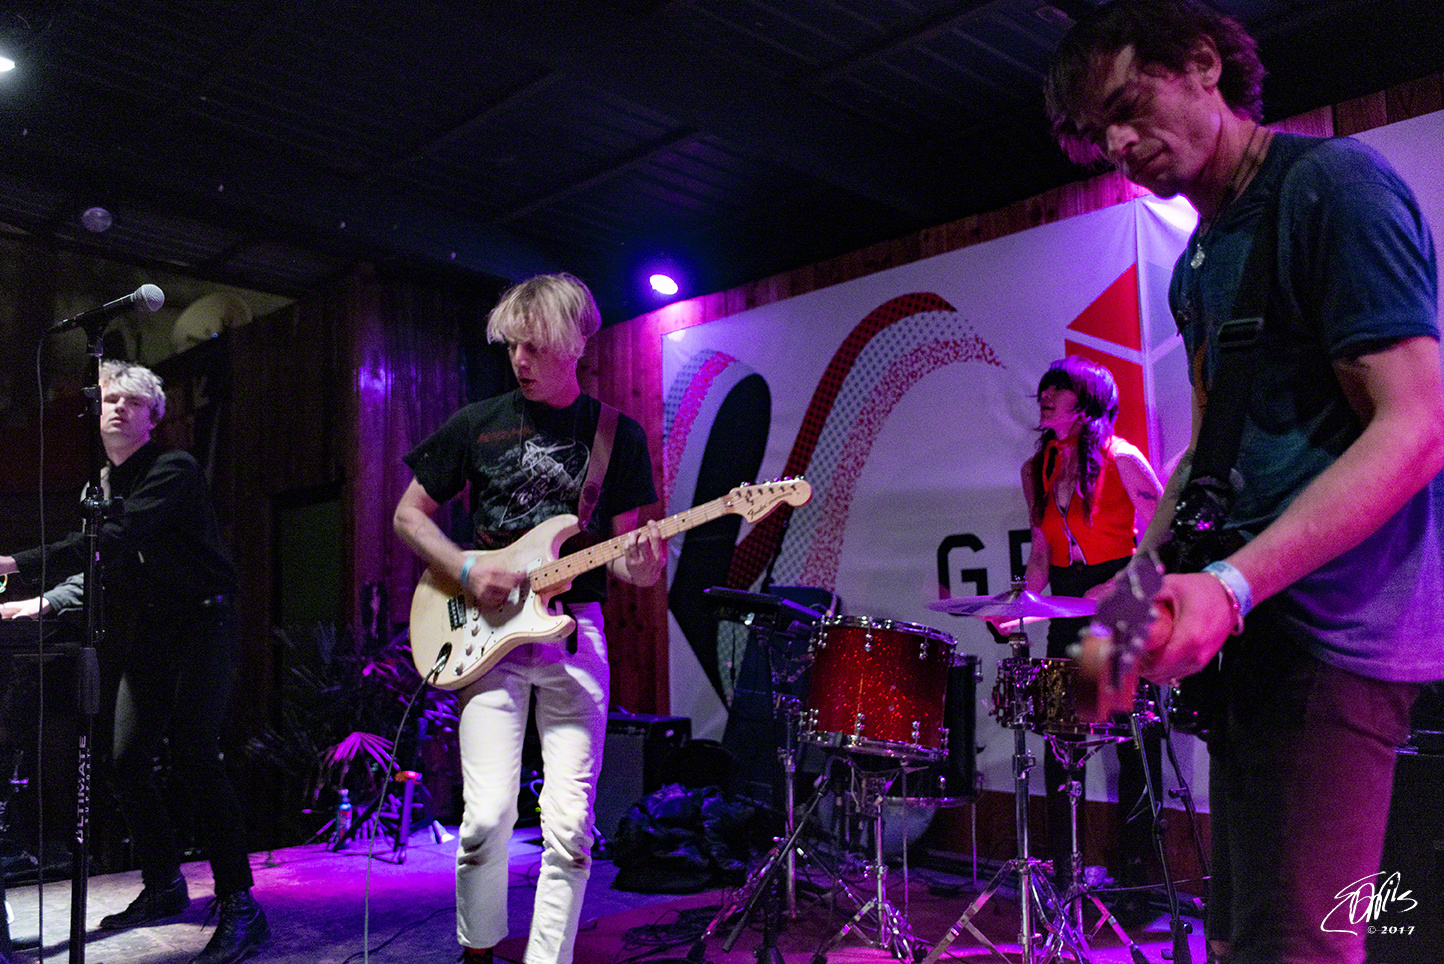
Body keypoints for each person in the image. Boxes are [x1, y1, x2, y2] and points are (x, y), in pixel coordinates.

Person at [1045, 2, 1444, 962]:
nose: (1119, 146)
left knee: (1294, 948)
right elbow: (1205, 458)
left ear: (1202, 64)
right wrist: (1125, 614)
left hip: (1338, 633)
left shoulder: (1332, 188)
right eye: (1100, 134)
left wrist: (1229, 585)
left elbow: (1419, 425)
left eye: (1127, 107)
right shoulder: (1200, 263)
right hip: (1264, 638)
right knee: (1242, 941)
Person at [392, 272, 664, 964]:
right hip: (488, 637)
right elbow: (407, 516)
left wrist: (643, 563)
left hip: (576, 632)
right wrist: (466, 569)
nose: (520, 361)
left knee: (570, 830)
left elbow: (630, 562)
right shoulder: (476, 424)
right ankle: (478, 952)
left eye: (535, 347)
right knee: (485, 819)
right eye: (513, 346)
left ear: (577, 343)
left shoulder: (617, 435)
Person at [0, 361, 268, 964]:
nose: (117, 408)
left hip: (205, 621)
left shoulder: (173, 470)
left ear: (153, 417)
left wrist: (13, 564)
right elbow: (101, 566)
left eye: (132, 401)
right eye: (109, 400)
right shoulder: (100, 488)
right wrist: (44, 602)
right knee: (125, 761)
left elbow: (112, 541)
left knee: (195, 754)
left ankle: (241, 904)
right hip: (156, 628)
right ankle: (166, 883)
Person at [1020, 356, 1163, 906]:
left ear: (1087, 403)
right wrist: (1024, 608)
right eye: (1045, 387)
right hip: (1066, 602)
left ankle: (1136, 881)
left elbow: (1162, 542)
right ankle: (1066, 875)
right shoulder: (1037, 468)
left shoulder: (1121, 457)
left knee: (1132, 744)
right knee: (1062, 741)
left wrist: (1117, 587)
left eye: (1059, 388)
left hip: (1117, 602)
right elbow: (1040, 552)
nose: (1046, 394)